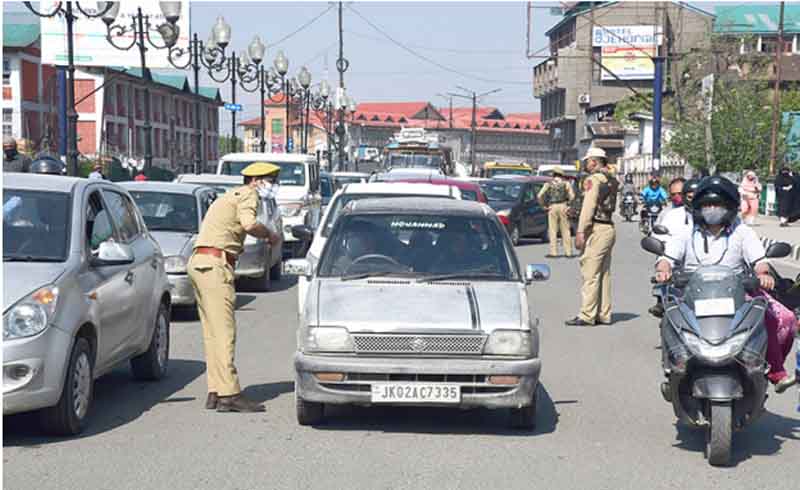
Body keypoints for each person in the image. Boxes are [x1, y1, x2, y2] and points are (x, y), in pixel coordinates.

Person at [654, 176, 796, 392]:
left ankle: (774, 370)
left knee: (784, 318)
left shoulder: (742, 231)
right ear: (698, 207)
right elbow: (667, 257)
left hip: (739, 291)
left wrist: (763, 274)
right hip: (691, 291)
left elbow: (759, 261)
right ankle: (675, 366)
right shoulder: (687, 232)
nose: (712, 209)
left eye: (718, 204)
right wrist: (663, 270)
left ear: (729, 207)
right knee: (670, 316)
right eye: (707, 205)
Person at [187, 162, 282, 413]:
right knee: (225, 332)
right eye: (271, 180)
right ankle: (229, 394)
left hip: (200, 263)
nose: (273, 185)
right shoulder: (248, 194)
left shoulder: (229, 196)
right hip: (216, 265)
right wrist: (270, 234)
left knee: (212, 333)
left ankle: (216, 390)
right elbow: (249, 224)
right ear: (256, 180)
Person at [565, 147, 617, 327]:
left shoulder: (593, 180)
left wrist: (581, 231)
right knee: (604, 273)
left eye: (588, 161)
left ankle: (587, 315)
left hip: (596, 229)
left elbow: (588, 206)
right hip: (608, 228)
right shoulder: (611, 179)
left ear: (594, 161)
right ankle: (603, 313)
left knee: (590, 272)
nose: (586, 164)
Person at [538, 167, 576, 258]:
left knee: (552, 230)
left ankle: (554, 252)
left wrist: (543, 205)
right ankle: (568, 252)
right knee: (566, 229)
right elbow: (572, 196)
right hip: (563, 206)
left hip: (552, 206)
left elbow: (539, 195)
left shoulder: (548, 184)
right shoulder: (566, 183)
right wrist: (569, 205)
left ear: (553, 174)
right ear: (561, 175)